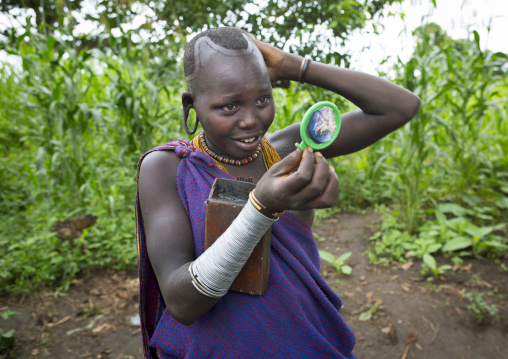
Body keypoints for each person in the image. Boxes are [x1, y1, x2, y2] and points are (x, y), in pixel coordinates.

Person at [136, 27, 420, 359]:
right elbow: (182, 302)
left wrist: (292, 66)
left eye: (262, 99)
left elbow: (400, 107)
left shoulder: (287, 152)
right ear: (192, 107)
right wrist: (261, 208)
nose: (251, 120)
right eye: (228, 107)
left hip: (305, 343)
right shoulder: (168, 169)